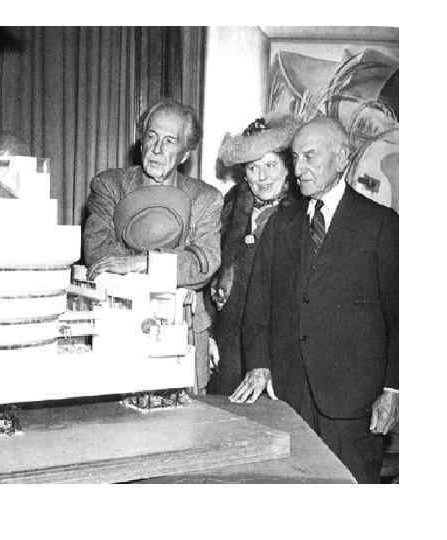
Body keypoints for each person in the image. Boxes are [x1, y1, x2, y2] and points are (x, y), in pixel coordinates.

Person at [230, 117, 398, 483]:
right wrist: (258, 364)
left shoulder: (382, 225)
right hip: (290, 396)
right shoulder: (281, 224)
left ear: (342, 159)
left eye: (309, 156)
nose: (298, 169)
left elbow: (401, 317)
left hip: (355, 404)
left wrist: (393, 389)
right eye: (294, 158)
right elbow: (257, 304)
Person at [83, 98, 223, 392]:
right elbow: (99, 253)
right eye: (152, 136)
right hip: (119, 331)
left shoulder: (205, 199)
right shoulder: (110, 186)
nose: (157, 149)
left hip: (182, 335)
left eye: (170, 141)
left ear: (185, 154)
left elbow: (203, 263)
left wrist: (143, 262)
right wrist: (171, 265)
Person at [206, 115, 302, 395]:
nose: (262, 177)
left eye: (271, 165)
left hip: (278, 348)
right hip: (227, 343)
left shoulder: (301, 213)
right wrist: (207, 334)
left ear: (287, 167)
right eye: (253, 167)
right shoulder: (230, 205)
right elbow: (211, 270)